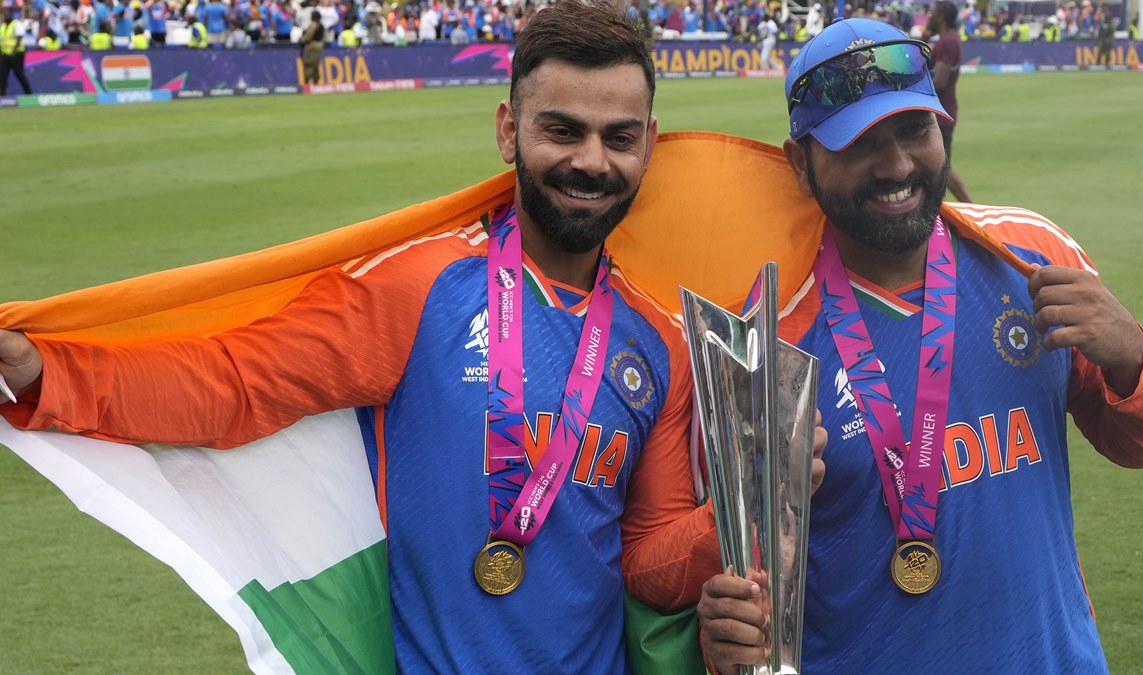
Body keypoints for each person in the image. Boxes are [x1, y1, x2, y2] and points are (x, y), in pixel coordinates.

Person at [0, 1, 739, 671]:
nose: (592, 161)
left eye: (618, 137)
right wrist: (46, 371)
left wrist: (749, 503)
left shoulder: (659, 343)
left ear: (648, 144)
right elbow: (237, 382)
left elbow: (648, 563)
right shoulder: (419, 286)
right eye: (562, 130)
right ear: (508, 130)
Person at [698, 17, 1143, 674]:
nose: (897, 165)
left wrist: (1131, 355)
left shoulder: (1031, 253)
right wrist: (726, 631)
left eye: (914, 130)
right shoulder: (762, 339)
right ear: (800, 164)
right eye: (860, 143)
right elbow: (737, 586)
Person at [925, 0, 970, 202]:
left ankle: (971, 209)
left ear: (941, 16)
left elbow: (940, 81)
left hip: (941, 112)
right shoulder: (948, 39)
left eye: (932, 13)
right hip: (943, 110)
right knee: (937, 166)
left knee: (942, 167)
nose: (929, 16)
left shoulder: (947, 42)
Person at [0, 7, 33, 97]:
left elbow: (19, 37)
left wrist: (13, 52)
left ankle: (29, 94)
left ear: (11, 15)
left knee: (19, 74)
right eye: (4, 14)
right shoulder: (2, 26)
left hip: (17, 54)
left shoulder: (16, 24)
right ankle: (2, 96)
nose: (6, 16)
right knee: (2, 75)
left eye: (7, 14)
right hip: (5, 54)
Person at [298, 9, 324, 84]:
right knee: (316, 64)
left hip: (312, 46)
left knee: (309, 64)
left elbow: (308, 36)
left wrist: (302, 40)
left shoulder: (313, 25)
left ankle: (307, 81)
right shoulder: (321, 25)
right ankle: (316, 81)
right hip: (319, 46)